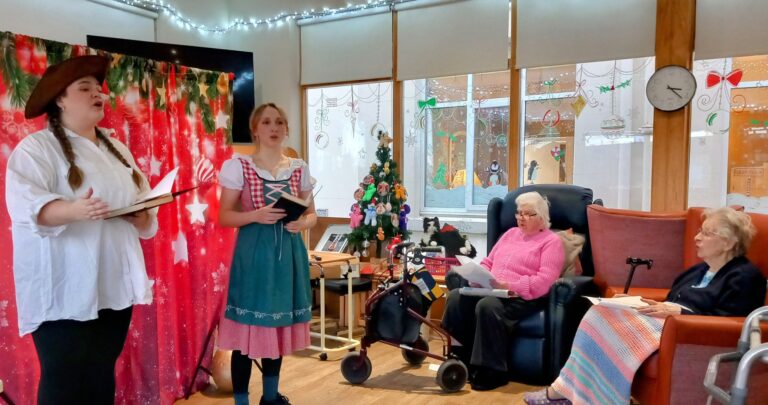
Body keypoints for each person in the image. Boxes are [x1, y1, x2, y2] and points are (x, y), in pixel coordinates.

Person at [5, 55, 158, 404]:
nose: (98, 95)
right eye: (85, 88)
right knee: (64, 378)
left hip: (112, 286)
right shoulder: (36, 149)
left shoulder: (117, 148)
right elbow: (25, 205)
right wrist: (73, 209)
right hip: (63, 289)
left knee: (101, 371)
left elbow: (144, 202)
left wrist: (142, 217)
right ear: (59, 98)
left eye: (99, 89)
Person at [524, 207, 766, 405]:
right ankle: (571, 390)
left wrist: (681, 312)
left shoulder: (745, 276)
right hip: (665, 324)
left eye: (707, 233)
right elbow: (673, 302)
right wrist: (646, 304)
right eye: (700, 231)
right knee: (600, 311)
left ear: (728, 242)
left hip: (685, 335)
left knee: (605, 323)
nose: (697, 237)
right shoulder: (696, 271)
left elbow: (734, 320)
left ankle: (572, 394)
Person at [217, 103, 317, 405]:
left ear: (286, 128)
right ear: (255, 129)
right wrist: (255, 215)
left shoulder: (298, 168)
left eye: (279, 122)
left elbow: (312, 215)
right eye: (267, 122)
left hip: (288, 254)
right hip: (254, 256)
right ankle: (242, 402)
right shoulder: (239, 166)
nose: (274, 128)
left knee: (275, 329)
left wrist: (303, 222)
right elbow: (223, 216)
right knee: (245, 337)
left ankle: (271, 398)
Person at [442, 191, 565, 391]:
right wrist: (478, 276)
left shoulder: (551, 242)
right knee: (456, 297)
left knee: (488, 306)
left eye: (527, 214)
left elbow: (544, 281)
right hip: (494, 290)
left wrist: (511, 286)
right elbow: (489, 262)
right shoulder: (509, 234)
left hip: (524, 296)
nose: (520, 218)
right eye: (518, 213)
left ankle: (492, 371)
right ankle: (459, 360)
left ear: (541, 218)